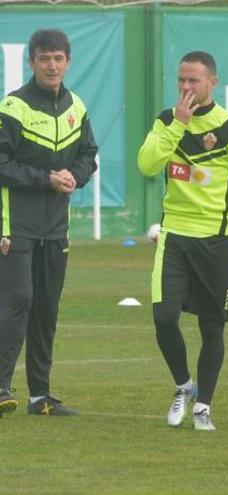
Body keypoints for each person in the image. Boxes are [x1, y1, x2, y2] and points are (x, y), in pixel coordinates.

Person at [138, 51, 228, 431]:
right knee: (164, 317)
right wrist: (177, 126)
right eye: (180, 80)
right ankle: (183, 386)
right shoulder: (166, 121)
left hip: (217, 242)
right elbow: (147, 165)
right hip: (175, 236)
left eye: (193, 80)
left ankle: (204, 406)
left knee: (212, 328)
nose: (185, 87)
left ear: (212, 82)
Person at [0, 29, 98, 417]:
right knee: (18, 299)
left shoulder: (77, 107)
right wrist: (47, 179)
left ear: (68, 62)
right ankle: (1, 386)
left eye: (58, 58)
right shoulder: (12, 107)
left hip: (56, 227)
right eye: (44, 59)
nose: (52, 65)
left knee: (46, 308)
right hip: (16, 224)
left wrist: (76, 175)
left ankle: (40, 396)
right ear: (32, 63)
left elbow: (89, 154)